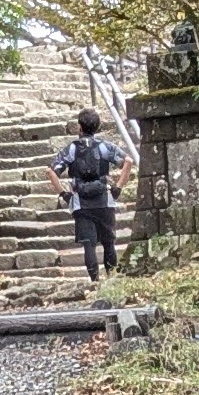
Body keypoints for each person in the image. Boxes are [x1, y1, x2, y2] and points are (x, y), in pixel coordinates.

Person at [49, 108, 125, 288]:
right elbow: (127, 161)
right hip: (104, 200)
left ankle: (94, 282)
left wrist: (64, 193)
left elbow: (51, 171)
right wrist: (118, 187)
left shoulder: (72, 148)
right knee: (108, 242)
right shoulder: (105, 146)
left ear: (79, 127)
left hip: (81, 203)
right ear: (98, 126)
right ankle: (112, 279)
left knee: (88, 245)